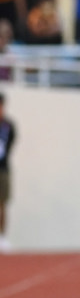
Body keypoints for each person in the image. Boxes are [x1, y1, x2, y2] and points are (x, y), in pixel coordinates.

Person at [0, 93, 14, 252]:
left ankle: (2, 237)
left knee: (2, 203)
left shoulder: (8, 126)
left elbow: (10, 145)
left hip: (2, 169)